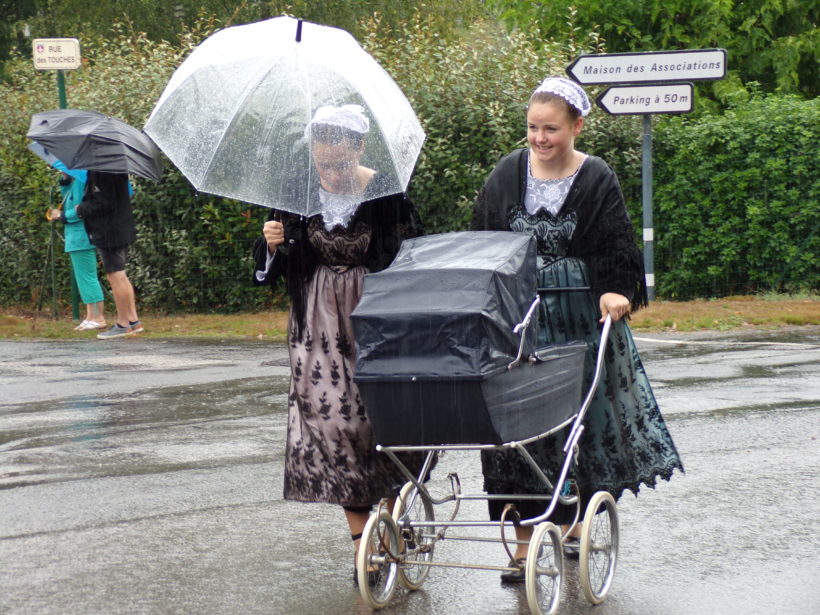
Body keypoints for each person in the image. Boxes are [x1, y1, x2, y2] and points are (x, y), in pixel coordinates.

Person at [472, 77, 683, 582]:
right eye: (532, 128)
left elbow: (616, 247)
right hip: (517, 320)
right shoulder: (506, 173)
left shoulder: (597, 177)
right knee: (513, 431)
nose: (540, 138)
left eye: (551, 129)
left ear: (576, 127)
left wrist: (615, 291)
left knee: (573, 427)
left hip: (577, 319)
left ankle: (569, 525)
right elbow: (479, 238)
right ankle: (523, 548)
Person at [252, 104, 425, 582]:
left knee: (385, 426)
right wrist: (270, 246)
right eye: (323, 164)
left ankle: (391, 518)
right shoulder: (297, 195)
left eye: (340, 164)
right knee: (334, 432)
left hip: (378, 324)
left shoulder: (388, 196)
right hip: (316, 331)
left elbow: (412, 259)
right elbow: (274, 269)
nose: (330, 173)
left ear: (359, 149)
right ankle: (361, 547)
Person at [74, 171, 143, 339]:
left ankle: (122, 323)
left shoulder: (102, 171)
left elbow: (105, 202)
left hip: (109, 230)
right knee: (121, 275)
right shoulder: (115, 167)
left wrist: (81, 208)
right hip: (119, 227)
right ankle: (133, 321)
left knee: (115, 275)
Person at [47, 162, 106, 331]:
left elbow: (81, 208)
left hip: (81, 235)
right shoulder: (75, 181)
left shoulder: (82, 180)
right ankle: (90, 316)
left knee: (88, 277)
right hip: (74, 236)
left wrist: (63, 215)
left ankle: (98, 317)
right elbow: (69, 200)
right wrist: (65, 180)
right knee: (83, 278)